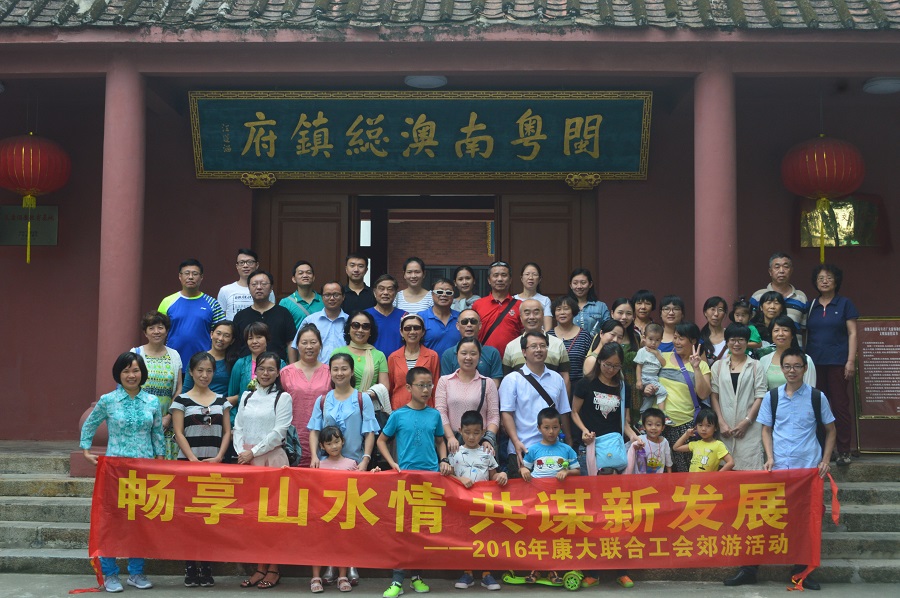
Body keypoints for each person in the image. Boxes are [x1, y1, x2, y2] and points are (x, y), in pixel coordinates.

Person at [723, 347, 836, 591]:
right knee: (761, 518)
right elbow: (766, 429)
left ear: (805, 368)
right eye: (787, 366)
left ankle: (801, 572)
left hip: (807, 471)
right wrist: (770, 456)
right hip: (778, 469)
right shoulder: (772, 397)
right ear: (781, 369)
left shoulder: (817, 397)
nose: (792, 371)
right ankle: (749, 569)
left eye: (797, 366)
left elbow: (831, 430)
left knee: (804, 522)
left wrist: (825, 460)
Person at [80, 352, 163, 593]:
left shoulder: (152, 401)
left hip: (144, 469)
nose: (131, 375)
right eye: (126, 371)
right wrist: (86, 450)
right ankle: (110, 573)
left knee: (140, 521)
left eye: (135, 370)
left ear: (142, 373)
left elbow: (157, 433)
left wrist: (160, 461)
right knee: (112, 521)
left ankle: (136, 572)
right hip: (115, 471)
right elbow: (90, 424)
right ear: (119, 374)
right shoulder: (108, 400)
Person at [376, 367, 452, 598]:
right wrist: (392, 463)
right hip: (406, 480)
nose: (426, 389)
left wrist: (444, 460)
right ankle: (397, 580)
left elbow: (440, 441)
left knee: (421, 531)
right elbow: (381, 440)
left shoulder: (435, 415)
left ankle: (417, 577)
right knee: (403, 531)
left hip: (430, 479)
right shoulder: (398, 415)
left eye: (429, 385)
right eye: (421, 385)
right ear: (409, 387)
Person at [170, 352, 232, 588]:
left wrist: (219, 457)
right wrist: (192, 459)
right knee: (189, 517)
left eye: (209, 371)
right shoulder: (181, 400)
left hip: (214, 466)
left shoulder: (221, 401)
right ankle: (190, 567)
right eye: (200, 370)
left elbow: (227, 431)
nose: (204, 375)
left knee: (210, 517)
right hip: (188, 466)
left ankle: (206, 566)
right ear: (191, 372)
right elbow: (178, 432)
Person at [233, 351, 293, 590]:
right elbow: (238, 427)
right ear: (255, 371)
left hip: (272, 461)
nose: (265, 373)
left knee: (273, 517)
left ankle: (274, 568)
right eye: (261, 369)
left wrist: (253, 452)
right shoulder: (247, 396)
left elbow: (279, 432)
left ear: (278, 372)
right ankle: (259, 566)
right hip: (248, 463)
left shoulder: (283, 398)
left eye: (271, 369)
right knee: (253, 517)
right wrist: (241, 451)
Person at [519, 406, 579, 585]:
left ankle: (554, 570)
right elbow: (524, 468)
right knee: (538, 535)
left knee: (555, 535)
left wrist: (566, 472)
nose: (551, 432)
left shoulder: (567, 450)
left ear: (560, 427)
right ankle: (535, 569)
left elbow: (578, 470)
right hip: (538, 502)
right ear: (539, 428)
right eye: (546, 427)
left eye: (555, 427)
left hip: (559, 501)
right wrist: (523, 470)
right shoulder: (533, 450)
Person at [806, 263, 859, 466]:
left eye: (829, 277)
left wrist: (850, 360)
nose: (825, 281)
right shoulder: (811, 305)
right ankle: (821, 450)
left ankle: (844, 450)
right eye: (820, 278)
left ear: (836, 281)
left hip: (838, 362)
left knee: (839, 406)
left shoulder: (845, 304)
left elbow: (852, 333)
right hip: (814, 363)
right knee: (817, 406)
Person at [448, 410, 507, 592]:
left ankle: (486, 574)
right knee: (465, 538)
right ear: (460, 430)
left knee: (486, 538)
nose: (471, 437)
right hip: (462, 506)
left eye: (476, 432)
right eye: (467, 432)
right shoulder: (455, 453)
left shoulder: (487, 453)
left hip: (483, 505)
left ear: (483, 432)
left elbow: (493, 475)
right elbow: (448, 478)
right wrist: (460, 479)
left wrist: (501, 475)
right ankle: (467, 573)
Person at [499, 331, 573, 476]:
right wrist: (515, 442)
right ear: (524, 352)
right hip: (523, 448)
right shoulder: (512, 379)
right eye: (533, 346)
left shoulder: (557, 378)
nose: (539, 350)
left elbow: (563, 412)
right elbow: (506, 414)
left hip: (554, 449)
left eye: (543, 346)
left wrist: (569, 441)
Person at [309, 426, 364, 593]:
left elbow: (362, 482)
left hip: (343, 513)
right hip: (322, 513)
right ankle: (315, 577)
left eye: (336, 441)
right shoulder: (319, 465)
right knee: (318, 544)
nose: (334, 446)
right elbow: (308, 485)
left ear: (343, 441)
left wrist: (374, 473)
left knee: (343, 544)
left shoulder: (351, 464)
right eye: (329, 443)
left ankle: (342, 577)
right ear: (322, 446)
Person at [307, 353, 381, 470]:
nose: (340, 373)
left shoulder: (363, 399)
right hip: (327, 464)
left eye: (344, 369)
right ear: (330, 372)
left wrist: (365, 460)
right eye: (335, 369)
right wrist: (314, 456)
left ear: (352, 372)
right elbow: (315, 431)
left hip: (355, 464)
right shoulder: (322, 400)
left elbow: (369, 432)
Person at [710, 324, 767, 471]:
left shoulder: (756, 365)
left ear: (747, 342)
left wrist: (747, 421)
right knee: (724, 472)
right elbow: (714, 395)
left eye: (741, 340)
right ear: (727, 342)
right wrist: (721, 422)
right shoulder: (718, 366)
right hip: (725, 429)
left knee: (750, 472)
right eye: (732, 340)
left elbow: (760, 396)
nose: (736, 344)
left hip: (750, 429)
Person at [658, 321, 711, 472]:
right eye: (675, 337)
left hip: (685, 426)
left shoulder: (702, 365)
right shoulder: (662, 358)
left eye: (681, 338)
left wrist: (696, 368)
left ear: (693, 341)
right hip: (658, 425)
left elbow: (703, 394)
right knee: (657, 470)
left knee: (685, 472)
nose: (676, 342)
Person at [131, 311, 183, 460]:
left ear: (166, 331)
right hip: (140, 420)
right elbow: (129, 386)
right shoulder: (136, 353)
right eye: (151, 328)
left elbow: (179, 388)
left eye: (160, 327)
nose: (156, 331)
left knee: (164, 466)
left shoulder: (174, 355)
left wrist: (169, 416)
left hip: (166, 422)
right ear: (145, 332)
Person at [436, 338, 500, 456]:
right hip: (453, 445)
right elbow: (441, 412)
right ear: (457, 355)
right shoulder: (445, 381)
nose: (468, 357)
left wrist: (488, 439)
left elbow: (493, 416)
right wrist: (450, 437)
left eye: (473, 353)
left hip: (480, 445)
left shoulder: (488, 383)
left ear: (479, 356)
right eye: (464, 353)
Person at [279, 323, 331, 468]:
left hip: (323, 436)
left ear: (320, 345)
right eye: (304, 343)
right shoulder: (286, 372)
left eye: (313, 342)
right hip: (292, 437)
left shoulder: (330, 372)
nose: (309, 347)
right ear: (297, 345)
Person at [158, 258, 225, 368]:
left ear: (201, 277)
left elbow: (221, 333)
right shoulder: (167, 302)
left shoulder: (213, 304)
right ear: (180, 276)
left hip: (203, 363)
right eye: (186, 273)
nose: (190, 277)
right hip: (172, 362)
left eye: (195, 274)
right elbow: (158, 332)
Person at [502, 299, 571, 396]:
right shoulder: (511, 346)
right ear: (521, 317)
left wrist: (563, 404)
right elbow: (507, 380)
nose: (532, 317)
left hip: (551, 403)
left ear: (543, 315)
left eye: (536, 312)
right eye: (527, 313)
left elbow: (565, 377)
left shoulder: (558, 344)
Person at [227, 322, 286, 433]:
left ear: (267, 339)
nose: (254, 341)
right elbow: (232, 397)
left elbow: (283, 391)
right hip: (244, 422)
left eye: (259, 337)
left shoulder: (280, 363)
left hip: (272, 421)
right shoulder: (240, 364)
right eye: (250, 338)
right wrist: (233, 425)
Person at [232, 270, 297, 363]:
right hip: (247, 368)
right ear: (249, 288)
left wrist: (292, 367)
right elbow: (236, 346)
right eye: (254, 284)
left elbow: (291, 342)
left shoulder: (283, 313)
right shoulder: (240, 316)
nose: (259, 287)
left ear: (271, 288)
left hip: (277, 367)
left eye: (263, 284)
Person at [750, 252, 808, 340]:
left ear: (791, 270)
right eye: (777, 267)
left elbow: (804, 329)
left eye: (786, 267)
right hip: (763, 348)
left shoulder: (801, 297)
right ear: (770, 271)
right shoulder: (758, 296)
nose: (781, 271)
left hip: (793, 348)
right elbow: (749, 325)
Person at [388, 313, 440, 411]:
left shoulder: (432, 356)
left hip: (425, 409)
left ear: (423, 332)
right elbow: (390, 387)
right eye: (407, 328)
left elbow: (435, 387)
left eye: (416, 328)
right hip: (399, 409)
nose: (412, 332)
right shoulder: (393, 357)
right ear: (401, 332)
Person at [332, 311, 390, 397]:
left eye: (365, 326)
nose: (360, 330)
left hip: (370, 403)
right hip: (342, 402)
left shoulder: (379, 355)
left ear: (371, 331)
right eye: (356, 325)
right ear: (348, 329)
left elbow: (384, 388)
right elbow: (330, 384)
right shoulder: (338, 353)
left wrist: (362, 398)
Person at [440, 309, 504, 386]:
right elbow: (446, 383)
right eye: (464, 322)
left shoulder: (492, 353)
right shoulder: (448, 354)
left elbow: (495, 382)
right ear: (457, 326)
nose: (469, 325)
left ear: (480, 326)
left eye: (473, 321)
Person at [290, 282, 348, 363]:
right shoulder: (310, 320)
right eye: (327, 295)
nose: (332, 298)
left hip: (342, 369)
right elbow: (295, 347)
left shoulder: (350, 322)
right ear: (322, 297)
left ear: (343, 297)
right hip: (314, 369)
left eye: (336, 295)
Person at [473, 261, 523, 353]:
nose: (500, 279)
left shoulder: (520, 305)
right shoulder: (478, 304)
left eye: (504, 275)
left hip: (512, 357)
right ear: (489, 280)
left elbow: (524, 333)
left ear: (510, 280)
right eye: (495, 275)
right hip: (484, 357)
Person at [759, 314, 817, 390]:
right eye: (776, 330)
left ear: (792, 335)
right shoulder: (764, 360)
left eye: (785, 330)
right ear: (771, 335)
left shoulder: (806, 360)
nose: (780, 334)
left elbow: (810, 390)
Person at [547, 295, 593, 386]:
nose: (562, 312)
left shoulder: (584, 336)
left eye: (566, 309)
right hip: (552, 385)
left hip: (578, 385)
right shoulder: (548, 336)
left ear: (573, 311)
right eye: (558, 309)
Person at [217, 249, 275, 320]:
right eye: (241, 262)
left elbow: (271, 313)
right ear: (237, 266)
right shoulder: (225, 290)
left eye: (250, 262)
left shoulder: (266, 290)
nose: (245, 266)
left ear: (257, 265)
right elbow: (221, 319)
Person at [610, 298, 642, 425]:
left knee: (632, 424)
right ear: (612, 313)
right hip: (611, 386)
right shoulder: (604, 335)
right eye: (620, 313)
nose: (624, 317)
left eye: (628, 313)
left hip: (633, 387)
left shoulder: (637, 337)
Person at [183, 320, 237, 395]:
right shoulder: (197, 359)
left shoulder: (235, 363)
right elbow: (186, 389)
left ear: (232, 341)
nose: (221, 338)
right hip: (196, 401)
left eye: (226, 336)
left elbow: (238, 393)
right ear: (211, 334)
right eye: (218, 333)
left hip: (223, 401)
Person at [366, 274, 407, 357]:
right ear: (374, 292)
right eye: (381, 289)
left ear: (395, 293)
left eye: (390, 289)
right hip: (371, 362)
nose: (385, 293)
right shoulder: (365, 316)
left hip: (398, 362)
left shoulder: (404, 316)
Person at [634, 323, 668, 417]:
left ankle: (642, 417)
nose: (653, 343)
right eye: (650, 339)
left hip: (654, 379)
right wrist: (639, 380)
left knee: (649, 398)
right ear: (644, 338)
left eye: (657, 340)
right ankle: (663, 415)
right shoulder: (642, 351)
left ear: (661, 340)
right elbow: (639, 367)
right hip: (645, 377)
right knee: (662, 392)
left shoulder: (659, 352)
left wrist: (656, 354)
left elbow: (664, 363)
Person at [421, 278, 461, 358]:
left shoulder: (461, 318)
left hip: (456, 365)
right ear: (432, 294)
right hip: (429, 365)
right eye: (439, 292)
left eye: (448, 292)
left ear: (453, 296)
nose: (444, 295)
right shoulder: (421, 318)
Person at [626, 408, 673, 474]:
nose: (653, 428)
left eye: (658, 425)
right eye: (649, 424)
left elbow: (668, 461)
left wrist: (670, 477)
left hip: (658, 478)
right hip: (639, 478)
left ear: (663, 427)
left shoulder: (664, 442)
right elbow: (627, 451)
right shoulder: (639, 440)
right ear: (643, 426)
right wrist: (634, 447)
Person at [279, 260, 324, 328]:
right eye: (300, 273)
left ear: (313, 277)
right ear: (294, 279)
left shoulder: (324, 300)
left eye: (308, 272)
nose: (305, 275)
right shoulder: (286, 303)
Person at [567, 268, 610, 336]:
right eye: (575, 283)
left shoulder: (601, 306)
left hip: (595, 342)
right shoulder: (566, 306)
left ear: (590, 284)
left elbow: (608, 330)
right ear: (570, 285)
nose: (579, 286)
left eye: (583, 283)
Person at [514, 262, 553, 331]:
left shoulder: (545, 300)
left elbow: (547, 328)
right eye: (527, 274)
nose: (531, 277)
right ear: (521, 278)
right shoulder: (513, 299)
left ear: (539, 279)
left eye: (534, 274)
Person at [751, 290, 786, 355]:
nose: (772, 307)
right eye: (768, 303)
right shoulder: (753, 328)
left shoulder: (787, 327)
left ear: (781, 308)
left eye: (776, 303)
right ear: (761, 307)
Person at [699, 296, 729, 364]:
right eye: (712, 309)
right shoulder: (700, 338)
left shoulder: (730, 335)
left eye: (720, 310)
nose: (716, 314)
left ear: (724, 314)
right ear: (705, 312)